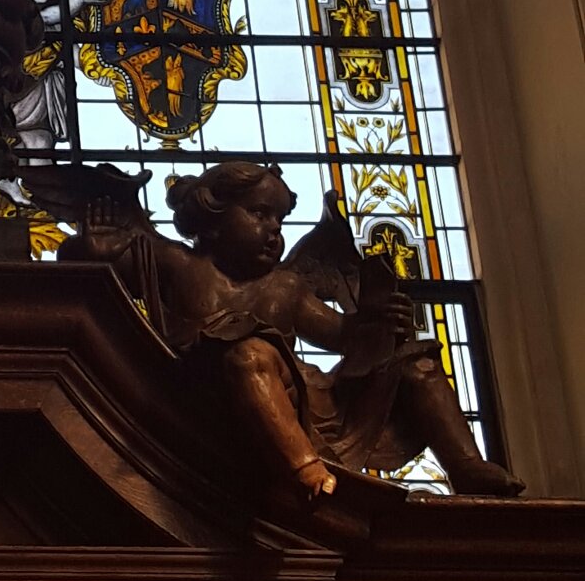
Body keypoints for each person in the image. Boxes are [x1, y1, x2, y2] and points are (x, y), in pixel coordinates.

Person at [52, 157, 522, 500]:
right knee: (248, 354)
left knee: (415, 365)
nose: (274, 229)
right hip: (208, 403)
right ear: (213, 219)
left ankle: (466, 465)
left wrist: (378, 321)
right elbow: (85, 263)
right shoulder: (177, 263)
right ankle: (305, 470)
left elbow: (344, 337)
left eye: (279, 219)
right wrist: (94, 245)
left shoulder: (286, 287)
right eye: (259, 214)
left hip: (296, 400)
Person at [0, 0, 107, 151]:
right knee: (11, 146)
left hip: (44, 93)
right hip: (16, 91)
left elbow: (71, 53)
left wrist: (97, 71)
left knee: (41, 141)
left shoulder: (58, 27)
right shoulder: (11, 19)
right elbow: (49, 16)